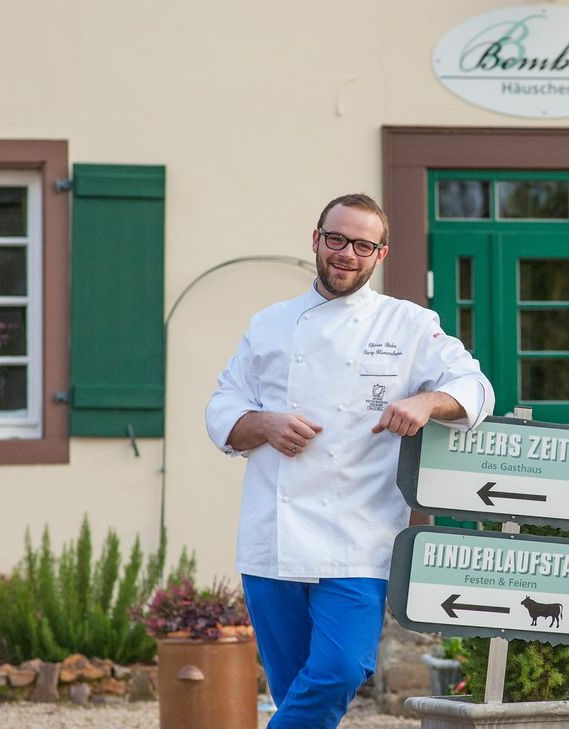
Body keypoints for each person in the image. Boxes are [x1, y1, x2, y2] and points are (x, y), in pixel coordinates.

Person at [206, 193, 494, 728]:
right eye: (336, 239)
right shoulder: (269, 325)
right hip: (273, 537)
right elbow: (223, 407)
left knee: (341, 669)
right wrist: (264, 424)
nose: (346, 253)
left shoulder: (409, 324)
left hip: (360, 534)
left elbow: (476, 388)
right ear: (316, 240)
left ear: (380, 254)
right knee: (294, 689)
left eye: (363, 245)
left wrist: (427, 403)